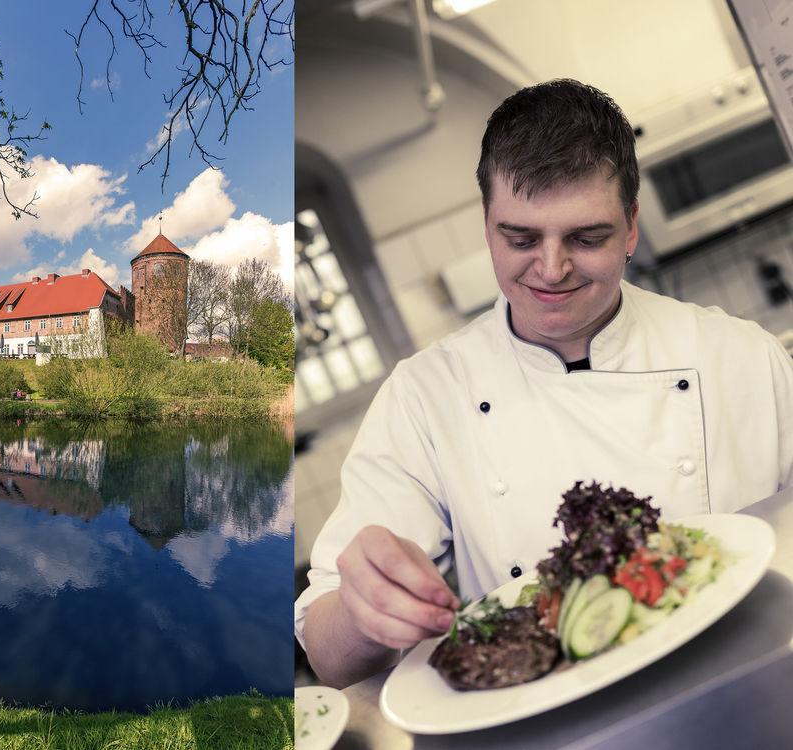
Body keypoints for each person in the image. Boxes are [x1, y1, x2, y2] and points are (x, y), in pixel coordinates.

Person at [295, 79, 793, 689]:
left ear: (631, 227)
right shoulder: (426, 396)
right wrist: (362, 612)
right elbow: (329, 658)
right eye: (521, 238)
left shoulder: (742, 357)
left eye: (587, 238)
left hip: (743, 690)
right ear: (486, 227)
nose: (551, 269)